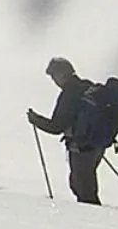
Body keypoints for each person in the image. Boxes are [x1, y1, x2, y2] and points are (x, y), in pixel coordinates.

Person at [27, 57, 100, 205]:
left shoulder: (69, 94)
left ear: (62, 74)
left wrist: (36, 120)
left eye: (54, 76)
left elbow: (56, 126)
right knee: (84, 183)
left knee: (82, 187)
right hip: (97, 143)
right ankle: (93, 217)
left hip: (80, 146)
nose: (54, 81)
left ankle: (95, 220)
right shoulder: (87, 86)